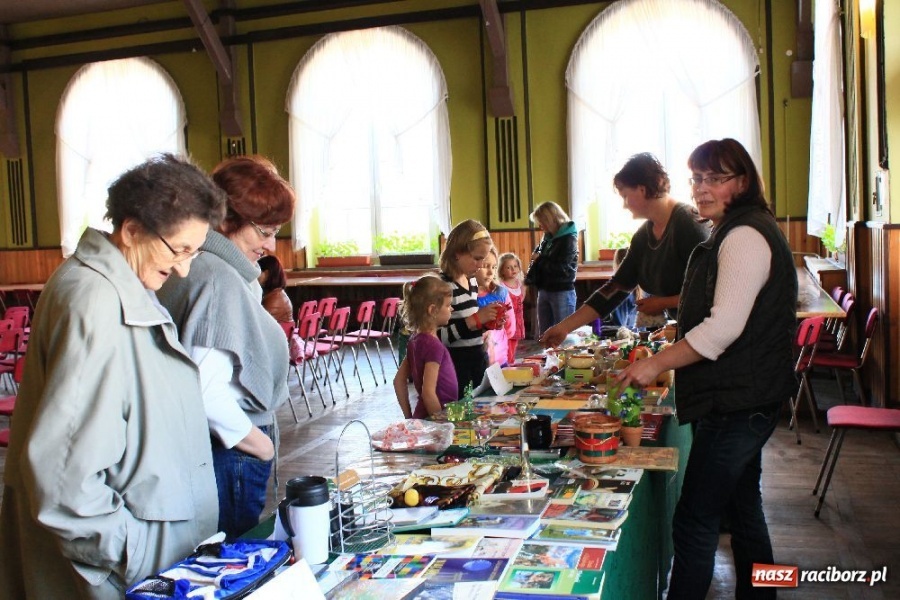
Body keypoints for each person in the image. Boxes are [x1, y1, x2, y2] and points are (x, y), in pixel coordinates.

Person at [0, 155, 225, 598]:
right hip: (117, 573)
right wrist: (134, 553)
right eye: (178, 250)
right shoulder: (96, 302)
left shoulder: (122, 282)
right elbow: (65, 479)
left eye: (194, 253)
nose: (184, 269)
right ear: (132, 230)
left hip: (142, 563)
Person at [616, 138, 797, 599]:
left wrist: (654, 363)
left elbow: (722, 331)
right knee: (745, 510)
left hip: (737, 402)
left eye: (716, 178)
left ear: (743, 182)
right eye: (697, 178)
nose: (702, 188)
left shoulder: (744, 235)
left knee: (695, 522)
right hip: (746, 398)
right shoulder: (733, 229)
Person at [158, 155, 294, 539]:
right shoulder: (217, 278)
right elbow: (205, 393)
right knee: (232, 558)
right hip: (231, 452)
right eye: (264, 231)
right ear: (226, 220)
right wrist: (261, 446)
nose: (270, 245)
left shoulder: (212, 268)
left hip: (223, 449)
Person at [540, 153, 710, 347]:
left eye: (625, 196)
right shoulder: (644, 236)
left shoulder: (688, 224)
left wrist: (663, 302)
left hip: (709, 336)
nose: (624, 204)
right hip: (690, 332)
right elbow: (614, 289)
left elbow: (709, 293)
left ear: (642, 189)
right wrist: (564, 327)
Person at [437, 219, 502, 398]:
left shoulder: (471, 281)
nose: (480, 265)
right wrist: (475, 320)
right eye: (477, 258)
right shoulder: (443, 286)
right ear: (458, 253)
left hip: (477, 358)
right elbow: (437, 338)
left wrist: (487, 322)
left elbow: (469, 326)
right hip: (456, 365)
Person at [393, 275, 458, 418]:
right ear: (432, 310)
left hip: (422, 416)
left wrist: (409, 417)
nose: (451, 309)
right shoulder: (433, 346)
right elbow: (428, 393)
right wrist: (441, 425)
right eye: (447, 305)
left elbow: (398, 381)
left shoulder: (414, 341)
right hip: (434, 419)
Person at [524, 201, 579, 336]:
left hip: (561, 291)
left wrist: (540, 259)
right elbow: (537, 259)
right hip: (544, 289)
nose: (539, 225)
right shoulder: (548, 238)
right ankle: (548, 357)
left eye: (541, 221)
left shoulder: (568, 239)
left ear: (550, 219)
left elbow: (562, 269)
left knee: (563, 335)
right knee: (545, 335)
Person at [475, 247, 516, 367]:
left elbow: (510, 326)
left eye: (493, 267)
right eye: (485, 266)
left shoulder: (501, 293)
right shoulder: (467, 296)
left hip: (500, 358)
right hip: (477, 360)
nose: (490, 272)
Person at [497, 252, 526, 364]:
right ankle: (506, 365)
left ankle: (511, 363)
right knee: (505, 347)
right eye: (508, 267)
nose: (512, 269)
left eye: (515, 266)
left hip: (517, 322)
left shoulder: (520, 284)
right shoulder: (501, 286)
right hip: (506, 323)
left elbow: (521, 299)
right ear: (502, 270)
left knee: (513, 347)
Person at [258, 254, 294, 326]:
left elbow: (260, 326)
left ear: (266, 274)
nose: (255, 276)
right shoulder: (276, 293)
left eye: (258, 271)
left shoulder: (274, 300)